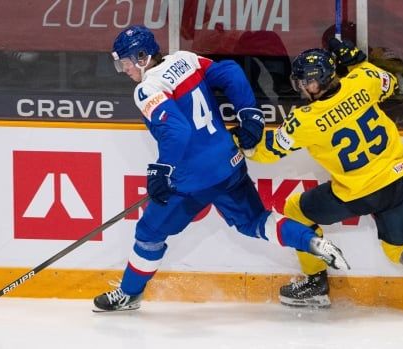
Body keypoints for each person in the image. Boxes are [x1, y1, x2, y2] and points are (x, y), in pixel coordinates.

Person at [92, 25, 350, 312]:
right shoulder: (184, 59)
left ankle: (129, 294)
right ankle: (311, 241)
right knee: (255, 221)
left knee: (149, 232)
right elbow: (229, 71)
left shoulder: (147, 89)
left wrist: (161, 170)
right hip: (230, 162)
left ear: (142, 57)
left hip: (192, 180)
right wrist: (248, 113)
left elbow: (176, 132)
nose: (123, 69)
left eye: (126, 61)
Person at [241, 40, 403, 325]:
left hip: (357, 194)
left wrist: (241, 140)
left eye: (305, 82)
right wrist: (358, 61)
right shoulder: (363, 80)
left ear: (318, 82)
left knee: (296, 209)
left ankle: (315, 285)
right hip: (396, 183)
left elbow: (267, 152)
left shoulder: (305, 121)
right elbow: (387, 83)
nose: (301, 87)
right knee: (399, 248)